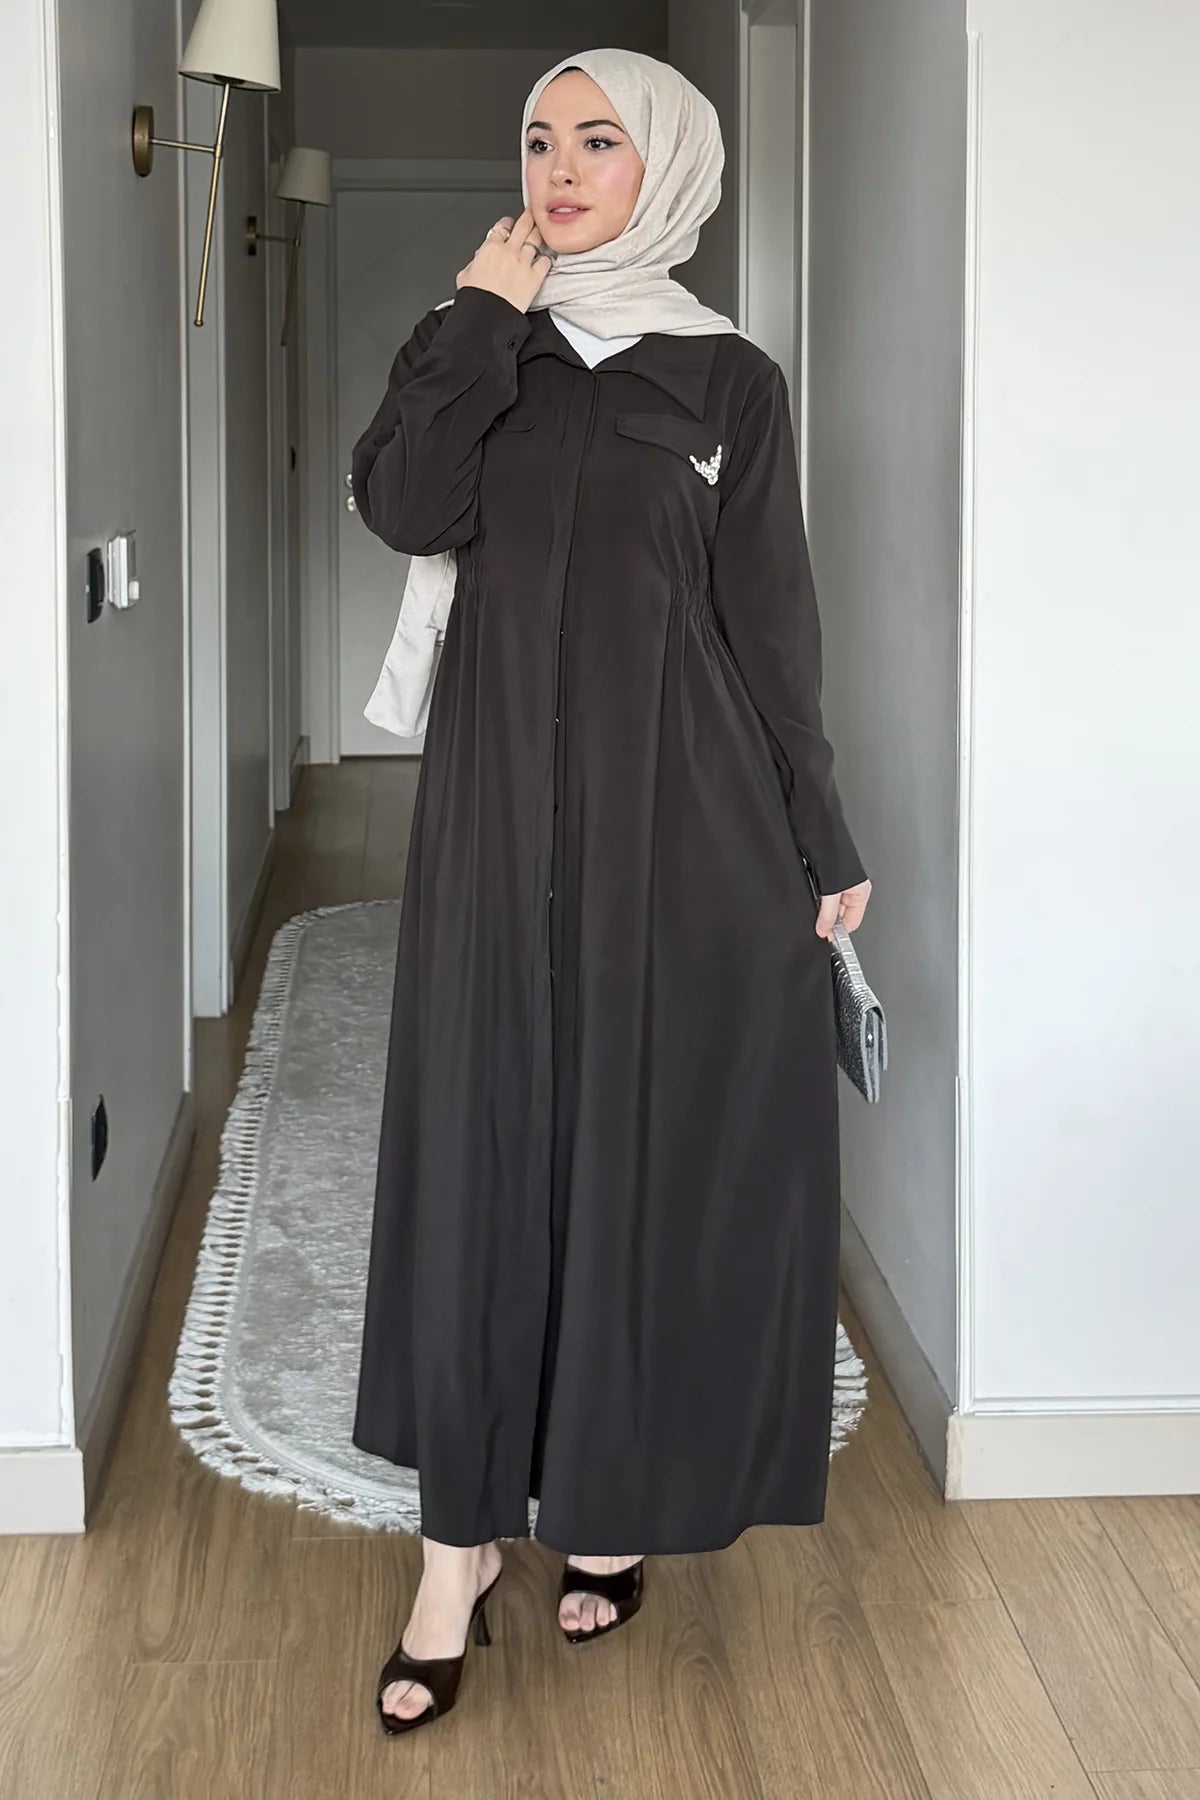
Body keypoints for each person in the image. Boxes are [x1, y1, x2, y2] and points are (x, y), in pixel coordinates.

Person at [349, 46, 873, 1735]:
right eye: (538, 141)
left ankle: (611, 1493)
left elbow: (768, 623)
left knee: (643, 1151)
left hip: (686, 819)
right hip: (497, 814)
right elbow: (403, 505)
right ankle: (454, 1558)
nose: (561, 169)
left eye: (598, 141)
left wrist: (822, 836)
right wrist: (475, 319)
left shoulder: (731, 380)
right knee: (485, 1146)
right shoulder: (471, 342)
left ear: (666, 166)